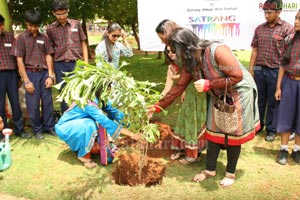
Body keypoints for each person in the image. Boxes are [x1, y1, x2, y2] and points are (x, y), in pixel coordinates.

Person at [148, 28, 260, 187]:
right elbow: (178, 87)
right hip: (218, 93)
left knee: (233, 135)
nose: (174, 55)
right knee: (213, 132)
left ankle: (230, 173)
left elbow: (237, 76)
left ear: (185, 46)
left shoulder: (217, 50)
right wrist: (157, 107)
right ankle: (210, 170)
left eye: (175, 50)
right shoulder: (190, 61)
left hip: (239, 93)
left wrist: (209, 84)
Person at [156, 19, 207, 164]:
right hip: (188, 90)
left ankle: (192, 154)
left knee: (193, 122)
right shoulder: (176, 53)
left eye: (162, 38)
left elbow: (192, 73)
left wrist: (181, 85)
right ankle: (182, 149)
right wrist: (158, 103)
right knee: (184, 120)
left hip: (198, 91)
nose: (162, 43)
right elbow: (173, 84)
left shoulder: (188, 48)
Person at [55, 86, 143, 168]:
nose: (110, 91)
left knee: (96, 141)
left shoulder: (101, 98)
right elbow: (105, 122)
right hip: (66, 127)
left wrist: (131, 124)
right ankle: (84, 156)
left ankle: (85, 145)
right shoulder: (89, 102)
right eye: (108, 89)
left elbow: (116, 113)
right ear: (101, 89)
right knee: (89, 125)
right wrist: (132, 134)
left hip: (78, 125)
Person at [249, 0, 294, 142]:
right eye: (265, 12)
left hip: (277, 72)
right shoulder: (259, 29)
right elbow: (255, 49)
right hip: (260, 71)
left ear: (278, 12)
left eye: (269, 12)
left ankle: (271, 129)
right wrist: (251, 69)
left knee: (274, 102)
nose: (266, 15)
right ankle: (258, 125)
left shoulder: (287, 29)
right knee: (259, 100)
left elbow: (290, 54)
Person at [11, 10, 56, 140]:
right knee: (33, 104)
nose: (34, 28)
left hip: (44, 73)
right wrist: (26, 81)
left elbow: (48, 56)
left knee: (48, 102)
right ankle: (37, 129)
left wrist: (50, 75)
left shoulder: (44, 38)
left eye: (36, 26)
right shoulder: (20, 39)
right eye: (31, 25)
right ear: (26, 23)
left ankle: (49, 127)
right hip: (30, 73)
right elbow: (19, 60)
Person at [46, 0, 89, 114]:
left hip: (77, 64)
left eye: (64, 13)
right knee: (64, 93)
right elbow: (50, 52)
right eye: (58, 14)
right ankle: (67, 120)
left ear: (68, 11)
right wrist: (51, 73)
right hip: (60, 65)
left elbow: (83, 44)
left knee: (79, 91)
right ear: (53, 13)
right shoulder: (50, 29)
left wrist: (86, 64)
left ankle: (80, 117)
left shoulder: (76, 24)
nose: (62, 17)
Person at [273, 9, 300, 165]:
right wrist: (278, 87)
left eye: (299, 19)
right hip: (289, 82)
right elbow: (282, 65)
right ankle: (283, 149)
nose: (296, 22)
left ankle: (297, 149)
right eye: (295, 18)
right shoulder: (289, 39)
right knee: (286, 115)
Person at [0, 14, 30, 139]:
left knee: (15, 102)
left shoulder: (10, 37)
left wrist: (18, 76)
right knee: (0, 103)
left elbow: (17, 57)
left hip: (12, 73)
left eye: (2, 25)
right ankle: (3, 130)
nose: (1, 28)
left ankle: (19, 129)